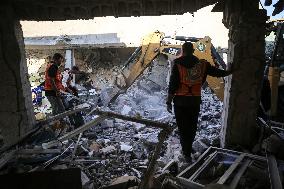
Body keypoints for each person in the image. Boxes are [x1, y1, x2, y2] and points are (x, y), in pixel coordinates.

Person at [166, 42, 233, 162]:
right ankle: (188, 148)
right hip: (194, 101)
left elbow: (173, 84)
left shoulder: (177, 64)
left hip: (180, 102)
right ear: (193, 51)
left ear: (183, 50)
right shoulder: (202, 65)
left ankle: (186, 153)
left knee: (183, 128)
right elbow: (218, 73)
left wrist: (168, 101)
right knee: (191, 127)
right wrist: (229, 71)